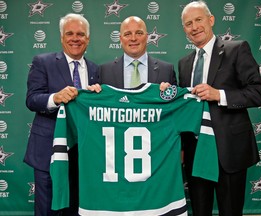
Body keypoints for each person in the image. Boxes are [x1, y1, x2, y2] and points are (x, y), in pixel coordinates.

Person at [178, 1, 261, 216]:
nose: (194, 27)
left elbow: (259, 93)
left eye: (199, 20)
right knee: (200, 212)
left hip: (229, 150)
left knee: (230, 211)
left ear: (211, 20)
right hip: (196, 151)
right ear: (184, 30)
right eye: (188, 23)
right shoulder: (184, 63)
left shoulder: (236, 49)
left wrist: (219, 95)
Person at [24, 13, 99, 216]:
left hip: (83, 154)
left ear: (88, 39)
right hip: (48, 151)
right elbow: (31, 100)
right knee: (47, 210)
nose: (75, 38)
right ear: (61, 37)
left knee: (77, 209)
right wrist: (55, 98)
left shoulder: (95, 70)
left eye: (81, 34)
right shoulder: (43, 62)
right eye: (70, 33)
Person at [99, 16, 177, 88]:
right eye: (127, 34)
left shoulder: (166, 71)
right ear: (120, 39)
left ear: (146, 37)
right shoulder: (104, 71)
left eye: (139, 33)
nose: (133, 38)